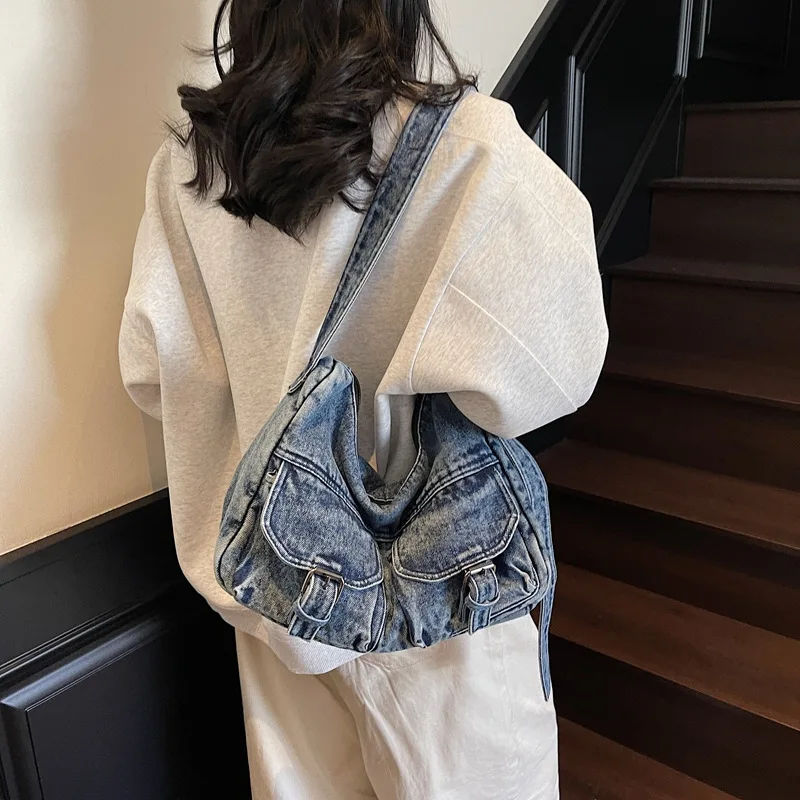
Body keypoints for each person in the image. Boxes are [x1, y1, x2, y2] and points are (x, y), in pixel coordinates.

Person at [119, 1, 608, 798]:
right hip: (439, 614)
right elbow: (558, 368)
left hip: (275, 595)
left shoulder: (189, 169)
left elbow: (151, 372)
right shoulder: (466, 145)